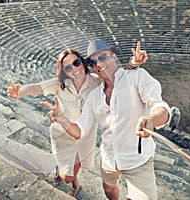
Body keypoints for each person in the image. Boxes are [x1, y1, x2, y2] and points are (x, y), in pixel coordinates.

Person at [7, 45, 147, 198]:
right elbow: (36, 88)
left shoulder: (96, 81)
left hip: (83, 135)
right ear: (64, 72)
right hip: (63, 134)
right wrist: (19, 92)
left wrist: (134, 63)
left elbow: (116, 76)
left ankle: (70, 178)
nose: (74, 69)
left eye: (76, 63)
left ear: (82, 62)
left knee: (70, 172)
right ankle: (73, 182)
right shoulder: (59, 84)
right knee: (68, 174)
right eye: (68, 68)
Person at [41, 40, 170, 200]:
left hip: (138, 160)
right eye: (93, 62)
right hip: (109, 158)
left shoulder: (137, 76)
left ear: (113, 56)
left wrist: (151, 119)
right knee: (109, 189)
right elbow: (80, 130)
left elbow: (159, 106)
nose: (99, 64)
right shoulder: (94, 96)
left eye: (103, 58)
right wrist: (62, 119)